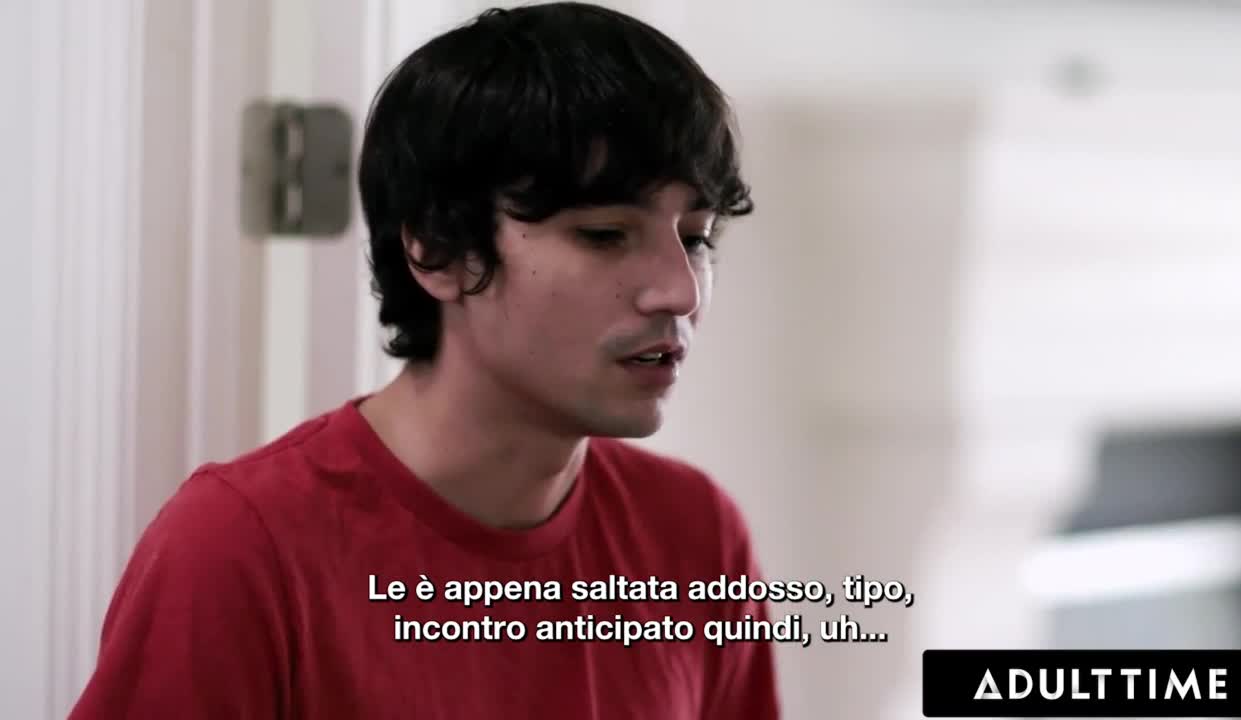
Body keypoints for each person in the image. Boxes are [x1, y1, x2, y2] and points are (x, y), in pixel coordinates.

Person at [69, 2, 779, 718]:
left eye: (696, 237)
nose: (680, 291)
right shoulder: (241, 548)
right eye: (604, 234)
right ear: (438, 250)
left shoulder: (695, 538)